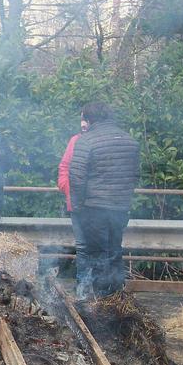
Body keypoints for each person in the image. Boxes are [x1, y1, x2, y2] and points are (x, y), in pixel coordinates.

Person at [68, 102, 140, 298]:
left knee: (98, 254)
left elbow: (76, 178)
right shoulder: (130, 141)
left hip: (94, 208)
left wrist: (78, 206)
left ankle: (102, 301)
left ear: (89, 119)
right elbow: (135, 175)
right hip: (120, 208)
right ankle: (117, 297)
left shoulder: (86, 141)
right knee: (115, 251)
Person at [58, 117, 91, 298]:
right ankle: (82, 289)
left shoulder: (99, 141)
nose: (83, 124)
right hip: (76, 204)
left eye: (86, 120)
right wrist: (66, 187)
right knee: (82, 247)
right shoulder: (75, 140)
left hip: (97, 204)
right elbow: (64, 166)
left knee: (98, 248)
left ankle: (98, 288)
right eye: (81, 119)